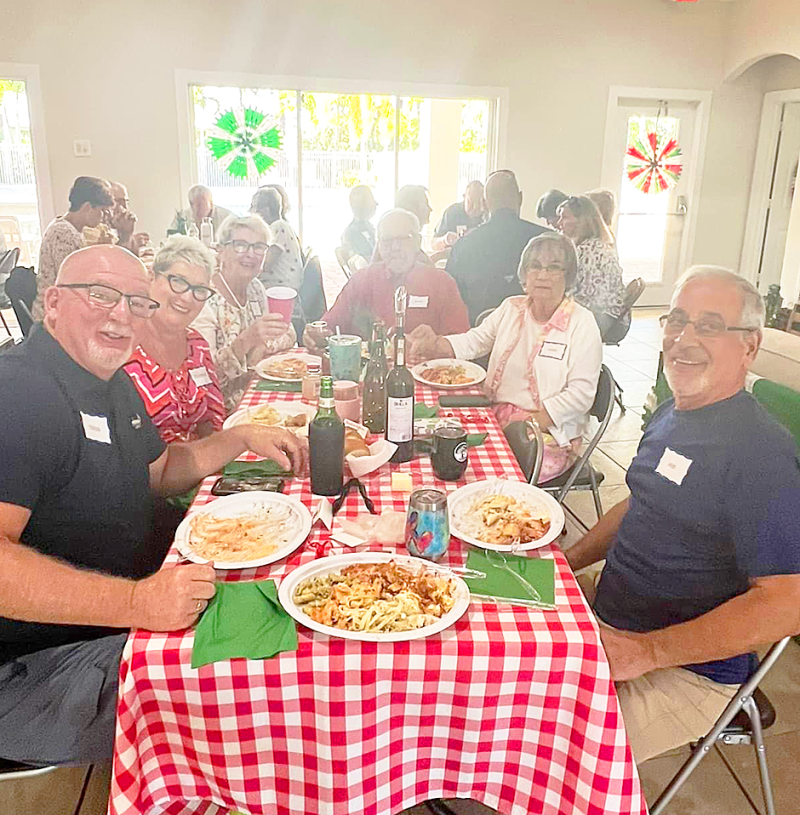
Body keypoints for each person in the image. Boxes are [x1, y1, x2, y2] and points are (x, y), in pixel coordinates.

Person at [0, 245, 308, 767]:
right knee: (261, 686)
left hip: (116, 613)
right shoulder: (19, 391)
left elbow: (161, 473)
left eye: (136, 303)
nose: (121, 314)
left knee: (283, 617)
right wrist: (137, 604)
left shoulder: (110, 382)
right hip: (33, 672)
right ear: (51, 303)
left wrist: (239, 438)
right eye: (100, 296)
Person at [565, 267, 800, 764]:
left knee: (555, 748)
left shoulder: (761, 456)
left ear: (750, 347)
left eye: (710, 326)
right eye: (677, 320)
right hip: (610, 616)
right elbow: (640, 500)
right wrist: (567, 562)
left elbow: (787, 603)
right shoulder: (673, 412)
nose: (683, 338)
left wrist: (646, 653)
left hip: (687, 669)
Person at [408, 232, 602, 482]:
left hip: (547, 432)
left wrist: (532, 423)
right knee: (441, 446)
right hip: (496, 415)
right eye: (535, 266)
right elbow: (475, 340)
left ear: (569, 276)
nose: (542, 275)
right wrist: (436, 344)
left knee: (483, 472)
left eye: (554, 268)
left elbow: (582, 394)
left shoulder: (581, 323)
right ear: (524, 274)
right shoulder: (512, 307)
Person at [304, 209, 469, 348]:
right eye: (387, 240)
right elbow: (330, 326)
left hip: (425, 375)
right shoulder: (362, 280)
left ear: (418, 242)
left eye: (403, 239)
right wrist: (315, 334)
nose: (395, 248)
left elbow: (461, 342)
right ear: (379, 245)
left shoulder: (441, 283)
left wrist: (436, 343)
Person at [124, 235, 225, 443]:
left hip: (202, 469)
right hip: (146, 472)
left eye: (199, 290)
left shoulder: (197, 346)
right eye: (178, 281)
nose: (187, 298)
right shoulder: (123, 346)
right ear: (151, 277)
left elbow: (212, 420)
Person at [191, 214, 295, 411]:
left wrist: (262, 347)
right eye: (240, 245)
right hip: (221, 409)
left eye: (259, 247)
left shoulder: (256, 288)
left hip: (257, 393)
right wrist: (246, 341)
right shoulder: (204, 298)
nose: (250, 254)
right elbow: (204, 376)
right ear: (220, 251)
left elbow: (286, 333)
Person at [445, 169, 548, 325]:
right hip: (536, 337)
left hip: (478, 337)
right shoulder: (547, 242)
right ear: (520, 198)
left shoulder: (463, 245)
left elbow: (450, 296)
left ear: (485, 204)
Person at [32, 176, 114, 322]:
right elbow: (76, 282)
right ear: (88, 207)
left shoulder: (72, 230)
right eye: (102, 211)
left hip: (62, 305)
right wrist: (101, 251)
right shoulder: (64, 234)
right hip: (54, 313)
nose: (103, 217)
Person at [557, 195, 626, 337]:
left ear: (581, 221)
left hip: (600, 317)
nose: (559, 223)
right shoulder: (593, 244)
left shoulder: (590, 250)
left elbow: (585, 300)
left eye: (564, 217)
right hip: (608, 314)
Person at [250, 187, 304, 290]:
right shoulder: (280, 226)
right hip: (282, 285)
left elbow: (265, 265)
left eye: (253, 207)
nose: (250, 212)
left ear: (265, 210)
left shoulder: (278, 227)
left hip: (282, 290)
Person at [432, 180, 487, 251]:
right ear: (464, 197)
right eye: (471, 202)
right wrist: (445, 240)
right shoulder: (452, 213)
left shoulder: (489, 215)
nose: (475, 207)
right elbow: (433, 244)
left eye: (479, 203)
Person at [109, 181, 151, 257]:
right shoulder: (96, 227)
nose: (125, 207)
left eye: (126, 202)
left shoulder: (120, 224)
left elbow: (132, 257)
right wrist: (128, 236)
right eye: (119, 202)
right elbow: (116, 259)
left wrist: (132, 240)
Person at [341, 185, 377, 263]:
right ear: (363, 205)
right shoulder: (354, 234)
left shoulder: (365, 228)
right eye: (372, 201)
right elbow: (370, 262)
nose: (376, 204)